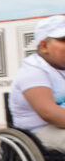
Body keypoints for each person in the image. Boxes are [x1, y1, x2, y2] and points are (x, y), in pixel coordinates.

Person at [9, 15, 65, 150]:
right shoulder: (32, 71)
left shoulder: (60, 67)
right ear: (44, 45)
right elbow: (49, 113)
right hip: (39, 131)